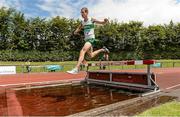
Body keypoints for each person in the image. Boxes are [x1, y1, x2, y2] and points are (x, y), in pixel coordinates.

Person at [67, 7, 109, 74]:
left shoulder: (91, 20)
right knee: (91, 55)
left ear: (87, 13)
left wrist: (105, 21)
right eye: (81, 13)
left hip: (91, 39)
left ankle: (76, 68)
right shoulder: (83, 22)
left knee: (82, 50)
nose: (82, 14)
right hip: (87, 40)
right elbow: (78, 28)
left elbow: (102, 22)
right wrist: (75, 31)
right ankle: (102, 49)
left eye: (83, 12)